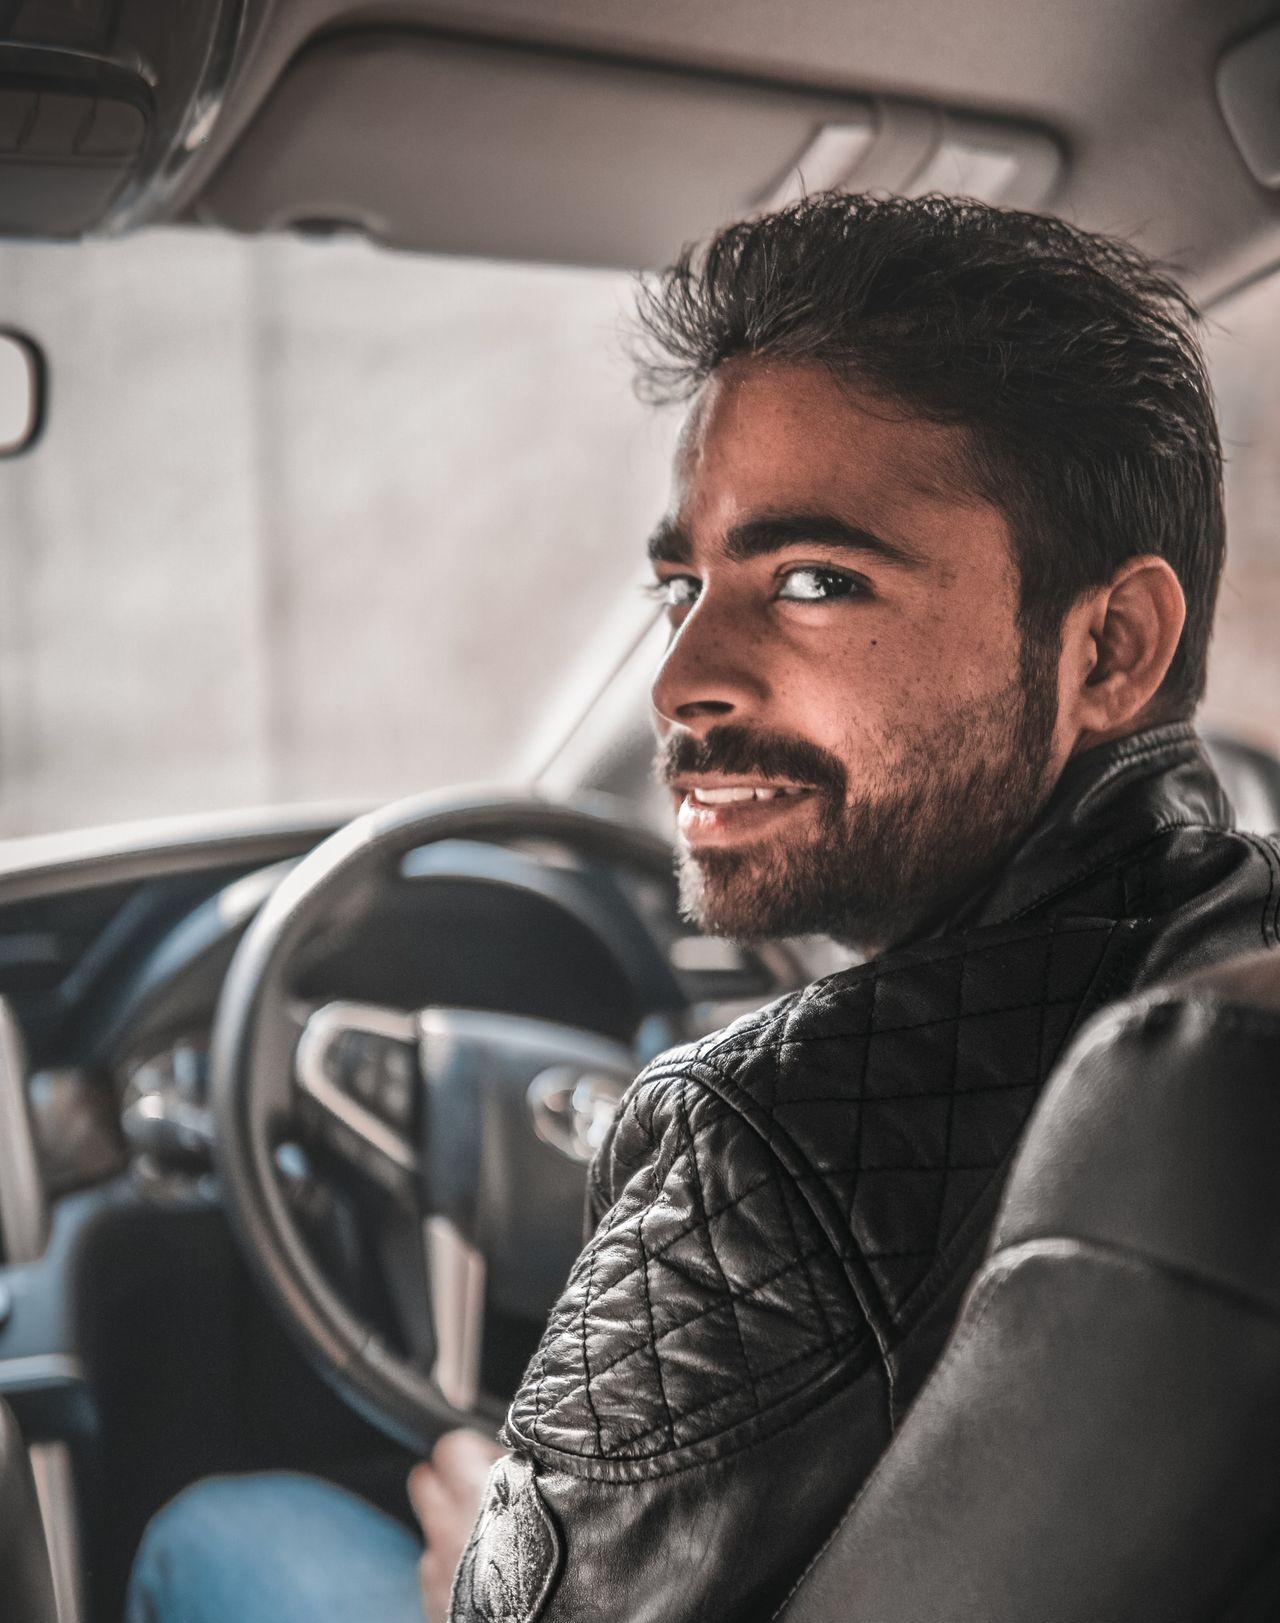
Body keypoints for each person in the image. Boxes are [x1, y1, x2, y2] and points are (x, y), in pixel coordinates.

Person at [127, 193, 1280, 1623]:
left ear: (1110, 646)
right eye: (682, 582)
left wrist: (470, 1574)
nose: (681, 680)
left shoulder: (757, 1147)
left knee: (225, 1532)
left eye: (812, 580)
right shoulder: (1241, 981)